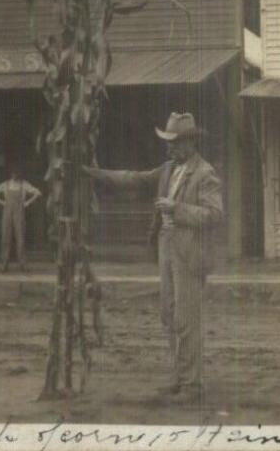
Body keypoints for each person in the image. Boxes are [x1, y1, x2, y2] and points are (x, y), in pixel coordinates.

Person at [83, 112, 223, 403]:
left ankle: (193, 386)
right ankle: (180, 378)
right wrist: (95, 173)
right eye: (168, 142)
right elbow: (132, 179)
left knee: (186, 318)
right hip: (166, 246)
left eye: (174, 142)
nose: (169, 148)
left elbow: (214, 215)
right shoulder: (168, 168)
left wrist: (176, 208)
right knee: (169, 315)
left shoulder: (205, 173)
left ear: (190, 142)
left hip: (189, 251)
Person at [0, 168, 41, 272]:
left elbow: (37, 193)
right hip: (7, 212)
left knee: (20, 237)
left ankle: (23, 265)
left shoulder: (24, 184)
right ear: (10, 174)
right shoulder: (5, 185)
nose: (15, 175)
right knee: (5, 238)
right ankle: (3, 265)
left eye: (17, 173)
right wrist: (3, 202)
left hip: (19, 212)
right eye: (13, 173)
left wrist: (27, 202)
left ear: (19, 174)